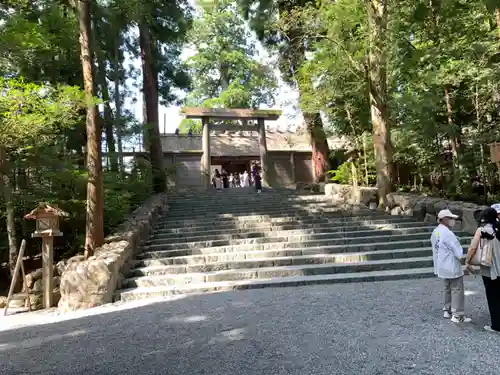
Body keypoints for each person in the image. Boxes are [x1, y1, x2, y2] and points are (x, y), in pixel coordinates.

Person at [430, 209, 472, 323]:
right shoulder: (448, 233)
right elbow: (458, 253)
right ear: (445, 219)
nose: (453, 221)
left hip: (441, 265)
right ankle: (457, 314)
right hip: (451, 266)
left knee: (447, 288)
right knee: (457, 289)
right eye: (451, 218)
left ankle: (447, 310)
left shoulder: (436, 232)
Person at [465, 205, 500, 333]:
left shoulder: (482, 230)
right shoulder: (498, 228)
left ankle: (496, 326)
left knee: (493, 297)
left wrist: (467, 261)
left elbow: (473, 248)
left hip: (489, 268)